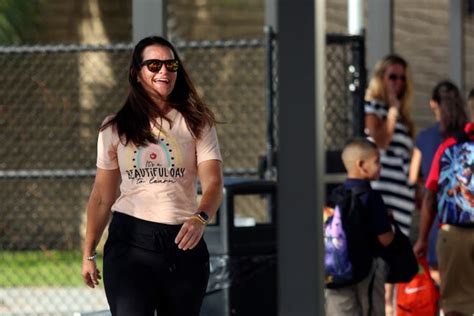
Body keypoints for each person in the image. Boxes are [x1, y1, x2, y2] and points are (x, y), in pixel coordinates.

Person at [81, 35, 224, 316]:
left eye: (171, 65)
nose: (164, 72)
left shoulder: (197, 122)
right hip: (130, 242)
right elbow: (101, 197)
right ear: (137, 73)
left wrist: (200, 217)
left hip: (183, 241)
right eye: (154, 65)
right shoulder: (114, 127)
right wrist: (88, 253)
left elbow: (214, 183)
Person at [364, 54, 416, 316]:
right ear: (381, 79)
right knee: (382, 260)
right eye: (392, 76)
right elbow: (381, 141)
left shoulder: (405, 119)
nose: (398, 82)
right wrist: (393, 110)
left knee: (396, 260)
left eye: (402, 78)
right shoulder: (374, 108)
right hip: (383, 192)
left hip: (402, 197)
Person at [414, 90, 472, 316]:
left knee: (456, 306)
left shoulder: (450, 146)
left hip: (454, 233)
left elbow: (430, 196)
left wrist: (422, 239)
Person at [325, 138, 394, 316]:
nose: (380, 166)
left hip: (336, 273)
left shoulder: (334, 196)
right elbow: (385, 239)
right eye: (377, 161)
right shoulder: (371, 197)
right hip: (365, 271)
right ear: (361, 164)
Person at [408, 80, 465, 287]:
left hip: (435, 218)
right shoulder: (466, 136)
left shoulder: (425, 138)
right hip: (465, 218)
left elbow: (413, 178)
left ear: (433, 104)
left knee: (437, 274)